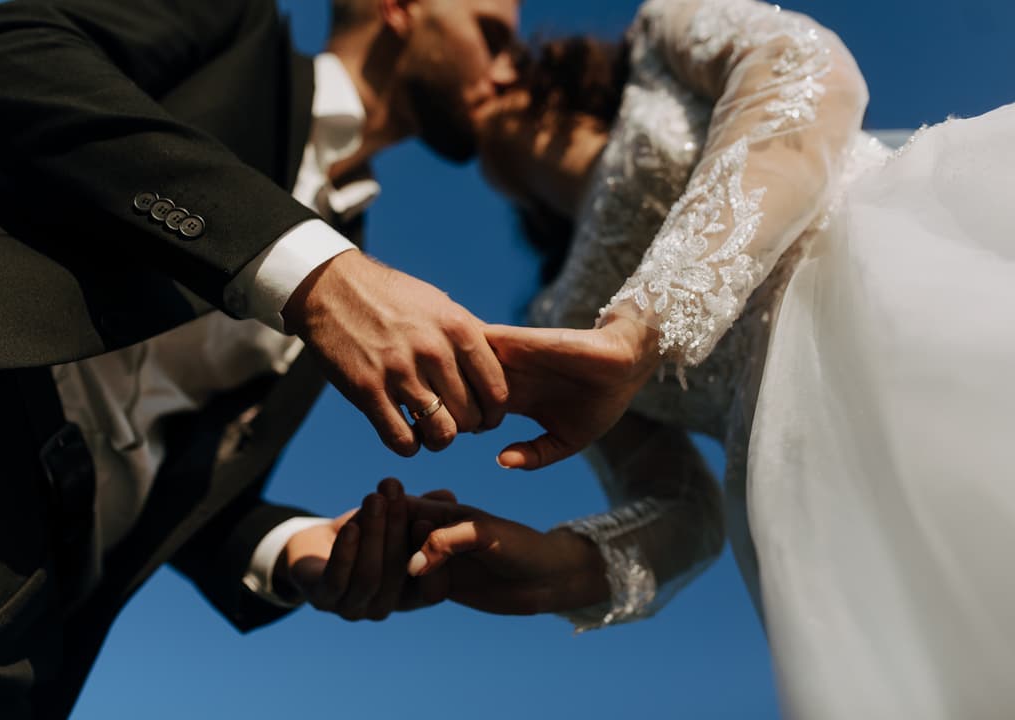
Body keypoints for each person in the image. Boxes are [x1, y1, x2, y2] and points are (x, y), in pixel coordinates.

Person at [396, 0, 1015, 716]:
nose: (496, 68)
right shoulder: (557, 323)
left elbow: (809, 72)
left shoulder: (658, 37)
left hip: (907, 280)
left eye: (505, 42)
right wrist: (550, 569)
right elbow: (680, 510)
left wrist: (646, 321)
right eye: (484, 40)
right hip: (815, 481)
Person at [0, 0, 519, 716]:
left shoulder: (355, 254)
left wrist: (298, 547)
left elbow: (187, 483)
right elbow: (0, 53)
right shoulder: (238, 28)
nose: (505, 70)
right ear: (398, 9)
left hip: (19, 631)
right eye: (491, 34)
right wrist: (310, 273)